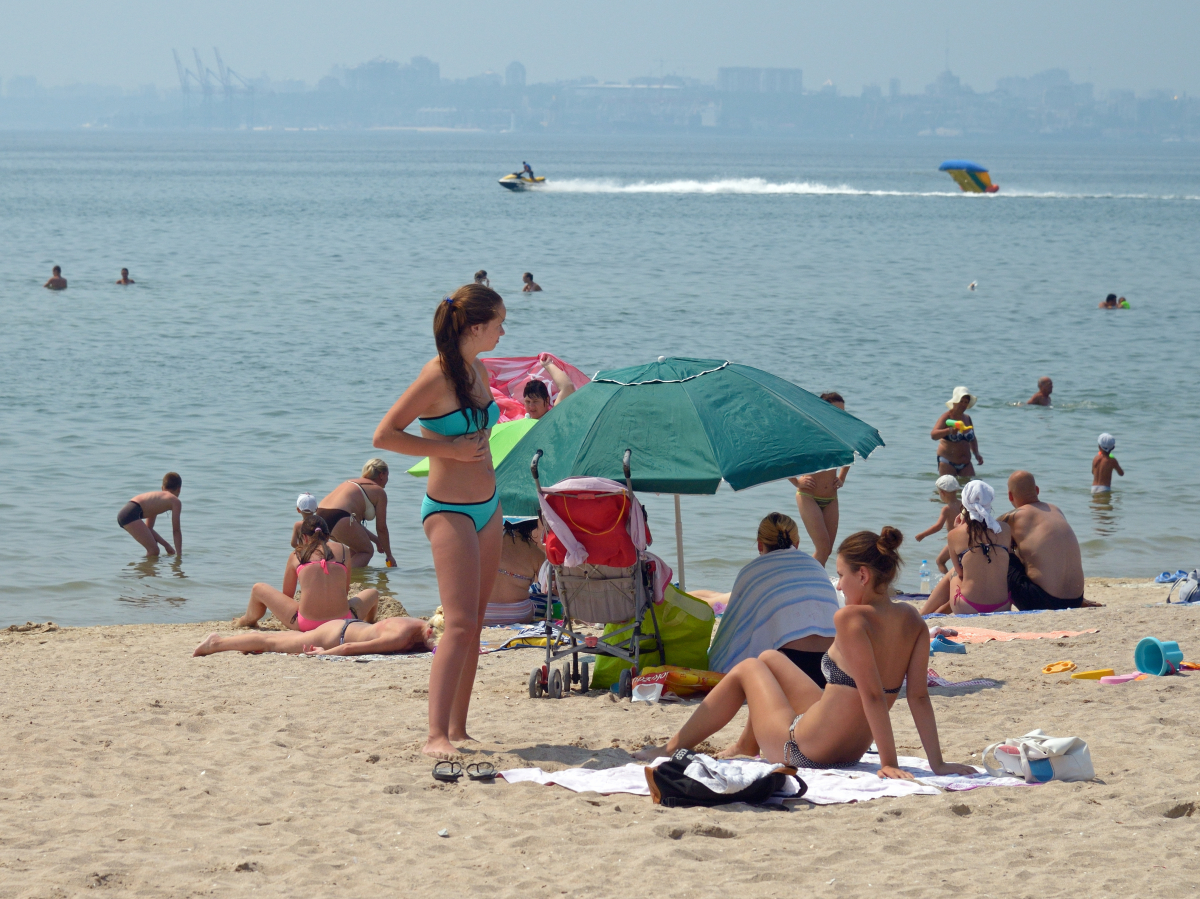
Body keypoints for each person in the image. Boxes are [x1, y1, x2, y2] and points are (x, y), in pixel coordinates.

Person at [635, 528, 975, 779]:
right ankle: (745, 745)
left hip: (804, 749)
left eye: (842, 576)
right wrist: (937, 763)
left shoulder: (851, 619)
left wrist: (888, 763)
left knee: (747, 668)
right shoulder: (913, 620)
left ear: (863, 574)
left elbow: (872, 695)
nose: (838, 585)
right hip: (848, 748)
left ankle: (669, 748)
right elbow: (917, 697)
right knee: (769, 659)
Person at [373, 284, 506, 759]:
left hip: (490, 505)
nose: (503, 331)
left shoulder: (479, 368)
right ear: (474, 328)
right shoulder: (435, 377)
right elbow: (385, 435)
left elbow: (482, 426)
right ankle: (435, 737)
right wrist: (447, 450)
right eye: (498, 324)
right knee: (458, 624)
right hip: (449, 509)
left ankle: (459, 728)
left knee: (477, 623)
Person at [707, 513, 837, 687]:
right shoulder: (816, 567)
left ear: (760, 545)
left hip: (790, 667)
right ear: (796, 544)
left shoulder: (752, 571)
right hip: (831, 666)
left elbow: (732, 632)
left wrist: (715, 659)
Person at [235, 516, 379, 630]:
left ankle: (247, 620)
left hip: (306, 623)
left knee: (258, 588)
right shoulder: (343, 550)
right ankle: (367, 624)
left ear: (304, 537)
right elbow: (345, 590)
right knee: (373, 593)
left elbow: (288, 596)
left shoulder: (296, 555)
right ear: (328, 536)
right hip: (343, 620)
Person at [920, 481, 1012, 615]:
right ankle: (936, 614)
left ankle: (923, 614)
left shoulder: (954, 534)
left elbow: (960, 572)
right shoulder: (1005, 529)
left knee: (953, 572)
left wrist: (957, 528)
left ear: (964, 504)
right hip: (1002, 606)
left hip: (968, 607)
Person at [1000, 471, 1088, 610]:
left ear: (1010, 496)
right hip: (1076, 599)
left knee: (998, 549)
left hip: (1040, 601)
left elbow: (980, 534)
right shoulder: (1055, 510)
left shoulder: (1014, 517)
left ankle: (991, 600)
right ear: (1037, 490)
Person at [788, 392, 851, 566]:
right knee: (822, 548)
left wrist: (842, 478)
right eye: (835, 410)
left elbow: (849, 457)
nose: (840, 415)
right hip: (808, 495)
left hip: (831, 497)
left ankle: (814, 586)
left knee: (827, 550)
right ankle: (802, 583)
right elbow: (784, 459)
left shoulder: (840, 434)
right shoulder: (808, 432)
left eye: (842, 412)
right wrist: (797, 482)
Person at [195, 616, 434, 658]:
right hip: (336, 637)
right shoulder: (400, 636)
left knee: (285, 640)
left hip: (347, 626)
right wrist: (323, 654)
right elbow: (350, 648)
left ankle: (242, 644)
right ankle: (216, 643)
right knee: (271, 642)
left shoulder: (422, 625)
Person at [314, 459, 396, 568]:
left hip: (320, 516)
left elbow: (353, 524)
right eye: (387, 476)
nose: (387, 479)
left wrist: (377, 540)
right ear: (382, 475)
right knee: (366, 551)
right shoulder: (379, 491)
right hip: (340, 517)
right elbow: (381, 528)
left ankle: (338, 576)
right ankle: (340, 578)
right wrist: (389, 555)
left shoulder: (350, 482)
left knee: (355, 550)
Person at [485, 518, 545, 626]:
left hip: (481, 612)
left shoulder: (482, 541)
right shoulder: (535, 552)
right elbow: (550, 586)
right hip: (519, 614)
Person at [117, 472, 182, 557]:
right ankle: (142, 569)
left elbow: (149, 528)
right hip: (130, 514)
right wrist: (179, 556)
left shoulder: (156, 498)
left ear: (162, 488)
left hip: (125, 513)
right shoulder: (175, 501)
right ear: (179, 489)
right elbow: (176, 530)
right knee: (153, 550)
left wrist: (166, 545)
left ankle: (146, 569)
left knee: (153, 549)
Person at [915, 475, 963, 574]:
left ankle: (949, 582)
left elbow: (938, 526)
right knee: (960, 564)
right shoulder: (963, 504)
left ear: (942, 493)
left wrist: (923, 534)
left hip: (955, 541)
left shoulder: (946, 509)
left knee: (940, 561)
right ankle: (955, 580)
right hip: (965, 539)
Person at [932, 387, 983, 479]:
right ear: (955, 401)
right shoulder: (946, 417)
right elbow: (933, 435)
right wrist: (949, 430)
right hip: (948, 462)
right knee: (948, 491)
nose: (963, 404)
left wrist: (976, 454)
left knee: (972, 489)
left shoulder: (967, 418)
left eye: (966, 402)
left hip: (966, 464)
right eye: (961, 401)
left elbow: (973, 439)